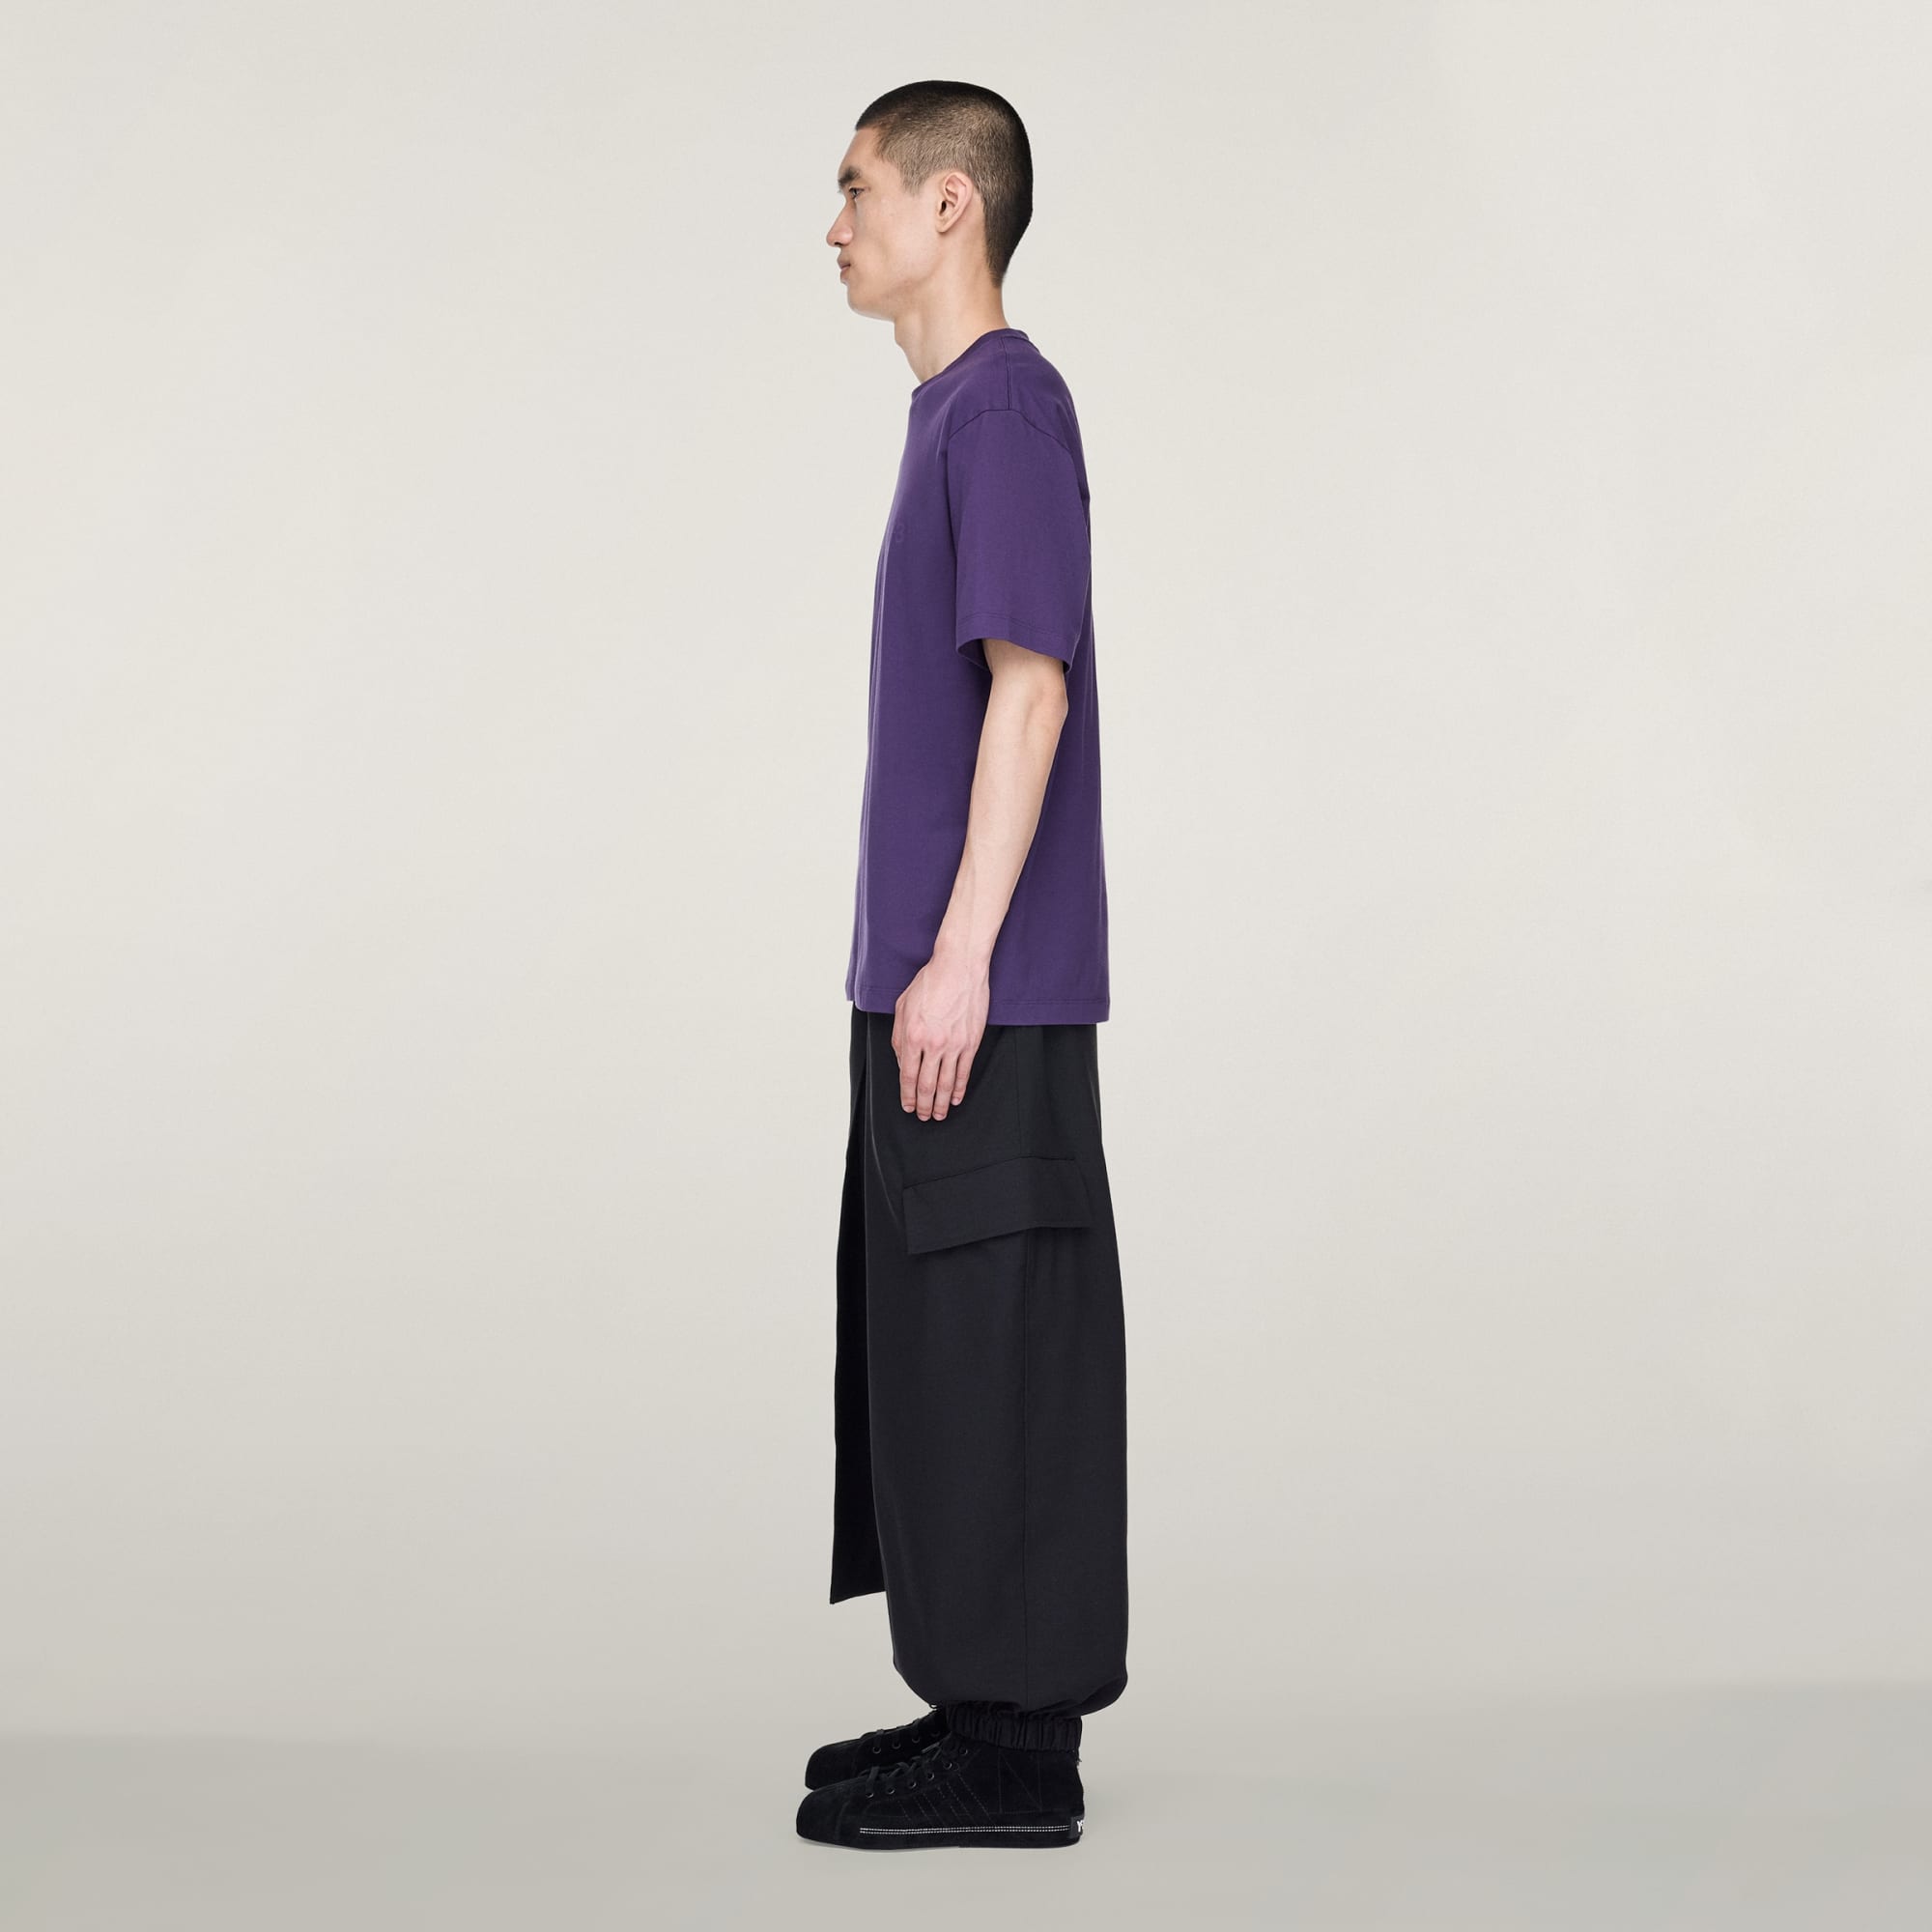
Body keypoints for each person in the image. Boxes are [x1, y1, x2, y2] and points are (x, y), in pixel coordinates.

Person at [795, 80, 1127, 1854]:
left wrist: (962, 959)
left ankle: (1021, 1750)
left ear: (949, 207)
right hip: (937, 980)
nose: (833, 224)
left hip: (982, 987)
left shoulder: (1003, 405)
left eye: (857, 188)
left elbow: (1033, 687)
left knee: (1000, 1340)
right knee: (935, 1343)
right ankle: (974, 1701)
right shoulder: (952, 415)